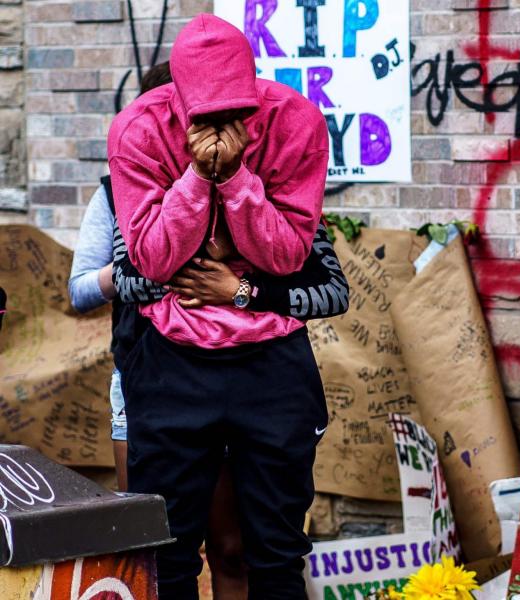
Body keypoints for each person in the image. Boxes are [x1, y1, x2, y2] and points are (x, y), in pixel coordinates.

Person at [108, 13, 331, 600]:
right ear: (177, 100)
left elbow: (286, 257)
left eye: (234, 116)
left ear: (253, 92)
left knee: (277, 550)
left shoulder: (294, 122)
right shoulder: (139, 130)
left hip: (271, 357)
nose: (219, 131)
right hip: (172, 361)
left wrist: (234, 180)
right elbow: (152, 260)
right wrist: (193, 178)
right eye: (204, 119)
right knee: (167, 550)